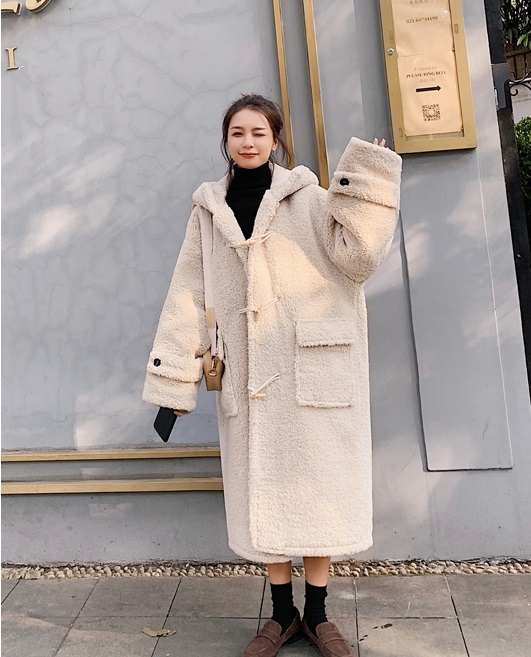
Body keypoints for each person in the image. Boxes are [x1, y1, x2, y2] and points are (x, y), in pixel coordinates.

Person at [142, 93, 402, 657]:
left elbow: (359, 257)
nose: (248, 142)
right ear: (226, 141)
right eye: (238, 133)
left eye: (259, 132)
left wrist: (368, 179)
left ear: (276, 140)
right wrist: (176, 380)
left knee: (317, 493)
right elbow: (188, 293)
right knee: (266, 496)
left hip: (312, 374)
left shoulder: (310, 199)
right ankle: (282, 615)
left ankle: (319, 614)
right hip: (249, 379)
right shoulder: (208, 210)